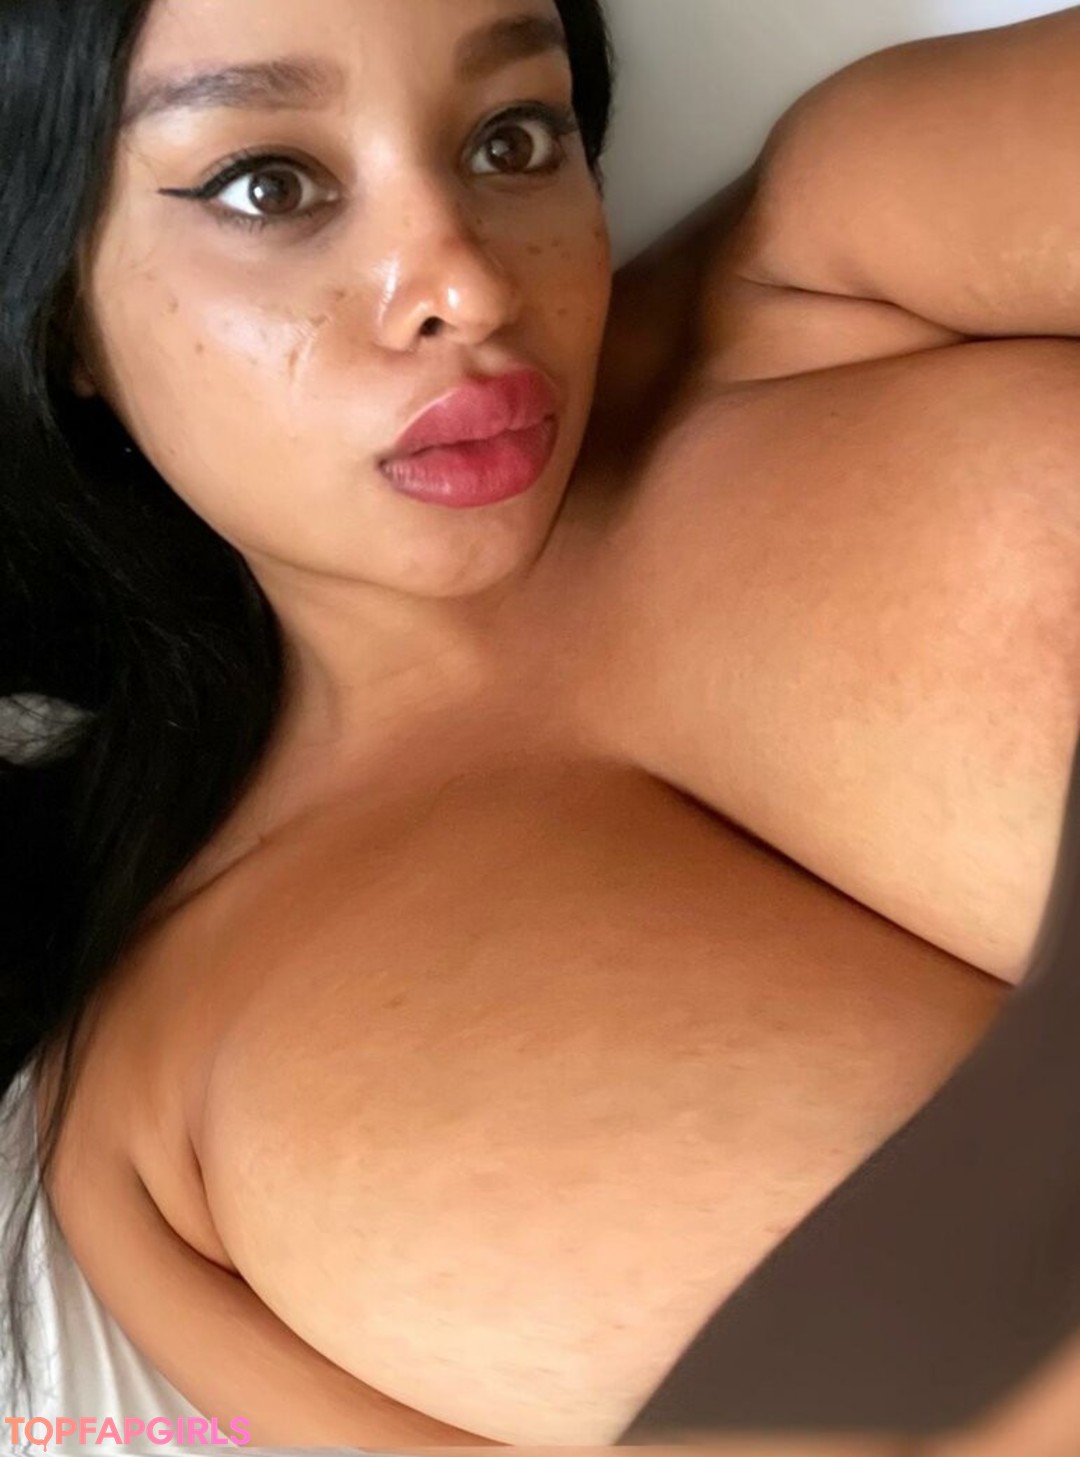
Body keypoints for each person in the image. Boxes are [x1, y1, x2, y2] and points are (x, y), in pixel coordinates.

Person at [0, 0, 1076, 1448]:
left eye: (511, 139)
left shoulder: (862, 242)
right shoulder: (150, 1142)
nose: (463, 283)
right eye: (269, 184)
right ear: (55, 292)